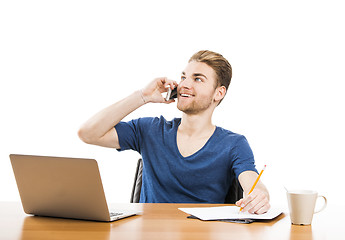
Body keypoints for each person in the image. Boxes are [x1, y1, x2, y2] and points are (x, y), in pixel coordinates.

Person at [78, 50, 270, 214]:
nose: (185, 84)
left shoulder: (234, 144)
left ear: (218, 93)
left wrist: (260, 195)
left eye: (198, 79)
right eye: (184, 77)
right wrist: (142, 97)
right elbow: (88, 133)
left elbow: (253, 183)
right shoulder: (150, 129)